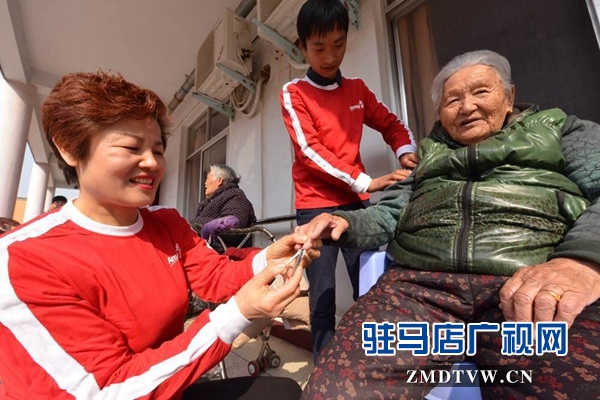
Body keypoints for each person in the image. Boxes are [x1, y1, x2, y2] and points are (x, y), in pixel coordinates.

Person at [298, 50, 600, 399]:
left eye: (481, 92)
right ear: (440, 112)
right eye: (452, 100)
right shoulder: (427, 156)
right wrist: (343, 222)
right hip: (419, 291)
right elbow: (389, 214)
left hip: (530, 283)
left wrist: (581, 261)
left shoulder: (559, 130)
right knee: (336, 390)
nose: (467, 106)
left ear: (509, 97)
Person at [0, 71, 320, 400]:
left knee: (282, 391)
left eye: (158, 150)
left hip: (166, 385)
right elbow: (108, 388)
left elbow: (213, 274)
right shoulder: (22, 259)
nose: (152, 163)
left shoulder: (166, 222)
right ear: (70, 149)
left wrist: (269, 259)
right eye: (131, 147)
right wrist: (238, 313)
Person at [280, 0, 418, 361]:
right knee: (322, 296)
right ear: (302, 47)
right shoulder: (294, 93)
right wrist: (365, 181)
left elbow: (391, 123)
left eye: (338, 44)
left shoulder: (357, 90)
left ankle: (372, 362)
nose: (330, 56)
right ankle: (325, 368)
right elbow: (309, 151)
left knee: (371, 287)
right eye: (319, 48)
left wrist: (405, 150)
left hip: (357, 207)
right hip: (315, 206)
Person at [191, 164, 257, 251]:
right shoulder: (216, 199)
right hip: (204, 249)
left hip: (222, 253)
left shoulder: (235, 196)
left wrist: (195, 223)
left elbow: (233, 225)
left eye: (207, 178)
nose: (205, 183)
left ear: (219, 180)